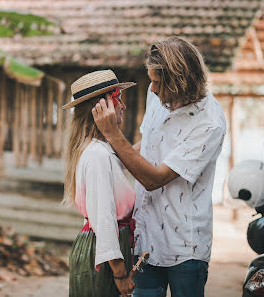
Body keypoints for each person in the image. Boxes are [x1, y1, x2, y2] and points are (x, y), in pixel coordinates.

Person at [92, 36, 226, 297]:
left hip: (185, 248)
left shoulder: (210, 123)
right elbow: (148, 145)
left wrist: (113, 134)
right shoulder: (158, 98)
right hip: (146, 238)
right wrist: (105, 157)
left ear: (180, 83)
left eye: (156, 82)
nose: (151, 89)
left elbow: (155, 178)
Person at [62, 69, 137, 297]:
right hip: (104, 254)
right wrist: (119, 273)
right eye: (118, 100)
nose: (123, 106)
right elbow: (104, 218)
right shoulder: (97, 155)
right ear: (101, 109)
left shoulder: (102, 150)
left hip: (107, 250)